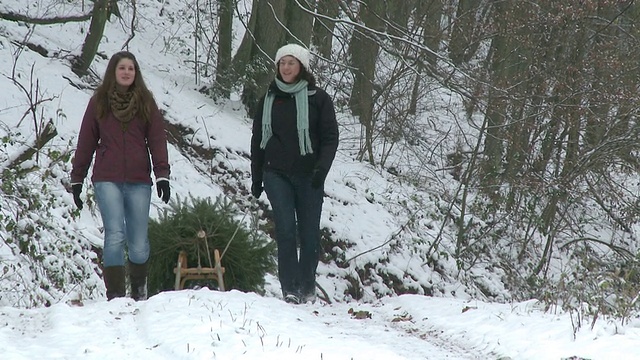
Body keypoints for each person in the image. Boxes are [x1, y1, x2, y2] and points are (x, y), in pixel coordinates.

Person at [70, 51, 171, 301]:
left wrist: (162, 175)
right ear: (113, 72)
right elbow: (86, 141)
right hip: (107, 178)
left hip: (139, 180)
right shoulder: (99, 102)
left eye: (131, 68)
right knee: (115, 234)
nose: (126, 72)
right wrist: (77, 177)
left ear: (136, 73)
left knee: (138, 241)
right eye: (122, 68)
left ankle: (139, 292)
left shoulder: (146, 102)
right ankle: (115, 295)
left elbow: (157, 140)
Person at [251, 44, 339, 304]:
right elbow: (258, 139)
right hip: (275, 174)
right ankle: (289, 288)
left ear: (302, 66)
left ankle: (307, 286)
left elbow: (330, 138)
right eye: (282, 63)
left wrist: (321, 169)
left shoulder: (318, 98)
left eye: (291, 62)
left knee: (310, 233)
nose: (286, 67)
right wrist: (256, 177)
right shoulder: (268, 98)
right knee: (286, 230)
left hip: (309, 175)